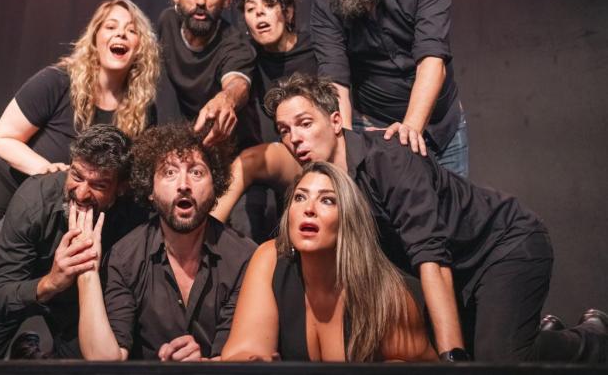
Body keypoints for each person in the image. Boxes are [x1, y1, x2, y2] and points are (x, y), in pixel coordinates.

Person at [217, 73, 572, 362]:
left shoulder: (389, 160)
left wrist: (452, 360)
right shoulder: (326, 182)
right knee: (490, 349)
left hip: (502, 245)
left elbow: (432, 259)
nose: (295, 138)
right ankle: (542, 337)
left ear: (336, 121)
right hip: (454, 270)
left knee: (495, 361)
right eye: (284, 130)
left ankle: (589, 342)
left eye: (305, 123)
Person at [0, 0, 159, 360]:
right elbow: (3, 138)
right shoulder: (57, 81)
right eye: (111, 26)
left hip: (67, 199)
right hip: (12, 173)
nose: (120, 34)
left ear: (141, 46)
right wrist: (47, 170)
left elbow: (131, 176)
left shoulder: (141, 107)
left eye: (131, 30)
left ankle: (34, 353)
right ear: (95, 37)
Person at [222, 161, 437, 362]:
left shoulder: (389, 296)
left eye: (327, 200)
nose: (309, 209)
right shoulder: (270, 259)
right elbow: (244, 352)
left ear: (348, 220)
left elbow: (420, 369)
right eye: (300, 197)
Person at [311, 0, 468, 177]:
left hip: (441, 126)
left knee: (451, 205)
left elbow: (432, 61)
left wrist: (409, 131)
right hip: (375, 127)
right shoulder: (324, 4)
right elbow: (336, 83)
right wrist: (345, 151)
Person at [76, 123, 257, 361]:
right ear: (150, 189)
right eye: (169, 173)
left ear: (215, 186)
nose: (183, 185)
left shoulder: (244, 258)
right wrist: (87, 273)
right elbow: (104, 360)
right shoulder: (124, 258)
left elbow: (240, 358)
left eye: (196, 172)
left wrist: (202, 366)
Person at [0, 124, 146, 358]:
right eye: (76, 176)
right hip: (15, 281)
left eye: (99, 185)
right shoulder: (33, 200)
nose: (81, 194)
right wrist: (52, 282)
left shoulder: (134, 216)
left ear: (120, 188)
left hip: (77, 300)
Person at [155, 0, 257, 149]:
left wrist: (226, 99)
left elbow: (238, 84)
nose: (201, 1)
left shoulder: (236, 44)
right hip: (186, 145)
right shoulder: (167, 22)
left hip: (233, 150)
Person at [232, 0, 318, 143]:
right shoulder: (248, 57)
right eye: (250, 9)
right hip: (280, 147)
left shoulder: (316, 48)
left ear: (288, 13)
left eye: (269, 4)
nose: (259, 13)